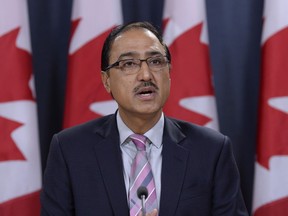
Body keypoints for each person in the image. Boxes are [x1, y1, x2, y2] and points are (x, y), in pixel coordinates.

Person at [40, 21, 248, 216]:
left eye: (156, 61)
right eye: (129, 64)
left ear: (169, 73)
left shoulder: (212, 150)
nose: (146, 75)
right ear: (106, 81)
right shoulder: (70, 151)